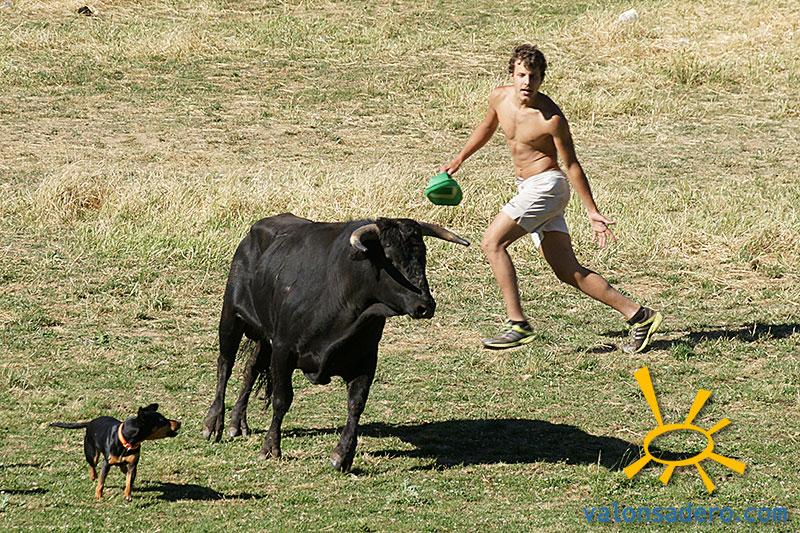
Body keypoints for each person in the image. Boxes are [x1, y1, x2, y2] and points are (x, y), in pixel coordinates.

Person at [441, 44, 661, 352]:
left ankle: (517, 325)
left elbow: (572, 165)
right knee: (568, 270)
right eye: (521, 75)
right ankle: (639, 315)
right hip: (527, 188)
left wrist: (592, 211)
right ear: (512, 75)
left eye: (533, 76)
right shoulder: (499, 98)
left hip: (547, 187)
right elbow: (487, 127)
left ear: (542, 79)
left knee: (492, 242)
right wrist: (460, 158)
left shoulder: (551, 118)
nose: (527, 82)